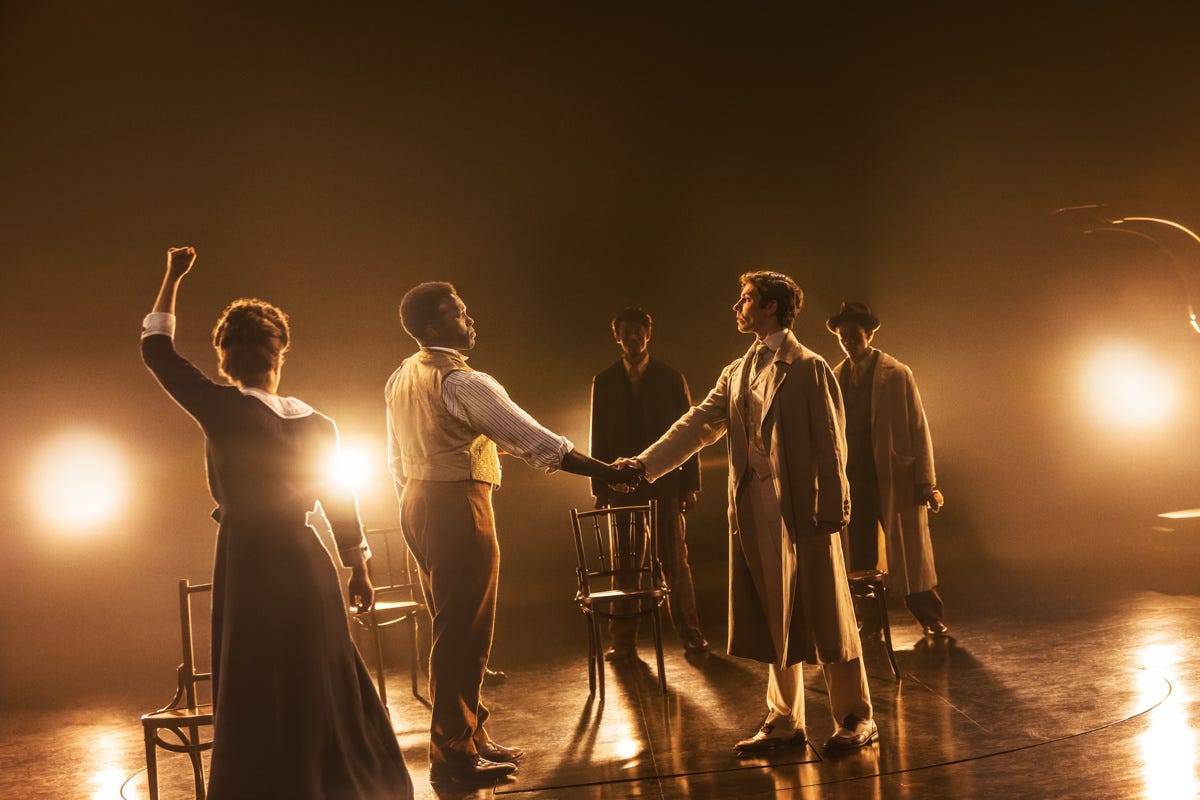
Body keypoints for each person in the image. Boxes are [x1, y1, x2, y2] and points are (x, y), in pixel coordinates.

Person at [141, 247, 412, 799]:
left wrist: (172, 275)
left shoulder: (220, 407)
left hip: (249, 558)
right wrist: (358, 569)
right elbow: (339, 500)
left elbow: (156, 349)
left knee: (257, 678)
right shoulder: (320, 424)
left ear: (225, 358)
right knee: (319, 672)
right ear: (279, 355)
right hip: (305, 557)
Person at [385, 281, 637, 783]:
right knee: (464, 630)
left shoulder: (402, 375)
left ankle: (470, 733)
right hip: (458, 505)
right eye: (459, 313)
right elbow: (538, 442)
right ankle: (454, 752)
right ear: (434, 327)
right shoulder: (463, 381)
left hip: (417, 500)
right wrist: (608, 472)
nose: (470, 319)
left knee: (453, 624)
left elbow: (397, 456)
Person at [618, 270, 877, 754]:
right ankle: (784, 720)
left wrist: (834, 506)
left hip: (806, 509)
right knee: (776, 613)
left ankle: (856, 717)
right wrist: (643, 464)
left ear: (773, 307)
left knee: (829, 612)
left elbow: (831, 441)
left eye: (747, 299)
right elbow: (697, 425)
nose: (737, 307)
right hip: (755, 508)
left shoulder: (807, 366)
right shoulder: (737, 371)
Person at [589, 307, 708, 661]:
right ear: (617, 337)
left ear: (648, 334)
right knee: (625, 564)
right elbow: (598, 438)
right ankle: (623, 642)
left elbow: (691, 434)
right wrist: (601, 488)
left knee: (674, 560)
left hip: (667, 485)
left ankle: (691, 636)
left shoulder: (671, 378)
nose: (633, 337)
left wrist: (690, 485)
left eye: (638, 331)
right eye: (626, 331)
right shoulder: (605, 380)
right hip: (621, 488)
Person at [827, 301, 948, 637]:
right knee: (861, 555)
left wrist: (925, 481)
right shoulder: (835, 379)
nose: (848, 341)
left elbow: (918, 428)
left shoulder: (897, 374)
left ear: (869, 334)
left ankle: (930, 616)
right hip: (855, 479)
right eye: (843, 336)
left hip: (893, 476)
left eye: (854, 334)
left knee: (908, 554)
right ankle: (870, 620)